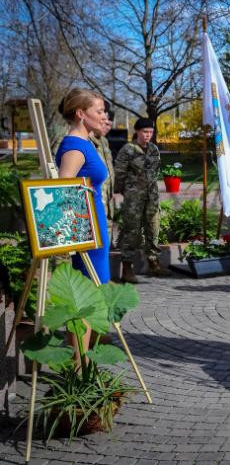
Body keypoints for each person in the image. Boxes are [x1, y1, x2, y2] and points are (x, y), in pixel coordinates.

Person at [55, 88, 110, 363]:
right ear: (80, 113)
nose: (104, 116)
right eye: (99, 111)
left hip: (96, 230)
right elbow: (63, 191)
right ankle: (80, 366)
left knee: (92, 296)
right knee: (85, 298)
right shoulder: (75, 147)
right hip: (86, 232)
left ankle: (83, 361)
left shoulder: (87, 143)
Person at [114, 118, 167, 282]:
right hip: (133, 198)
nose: (148, 135)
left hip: (152, 197)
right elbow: (120, 172)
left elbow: (155, 172)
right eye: (145, 132)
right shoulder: (128, 150)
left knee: (153, 228)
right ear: (137, 131)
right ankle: (127, 267)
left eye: (150, 132)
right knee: (131, 231)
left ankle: (153, 262)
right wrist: (121, 190)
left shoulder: (153, 149)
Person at [90, 112, 115, 221]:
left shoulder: (104, 141)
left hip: (107, 198)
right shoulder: (86, 141)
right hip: (94, 199)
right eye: (104, 123)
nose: (107, 127)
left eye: (109, 125)